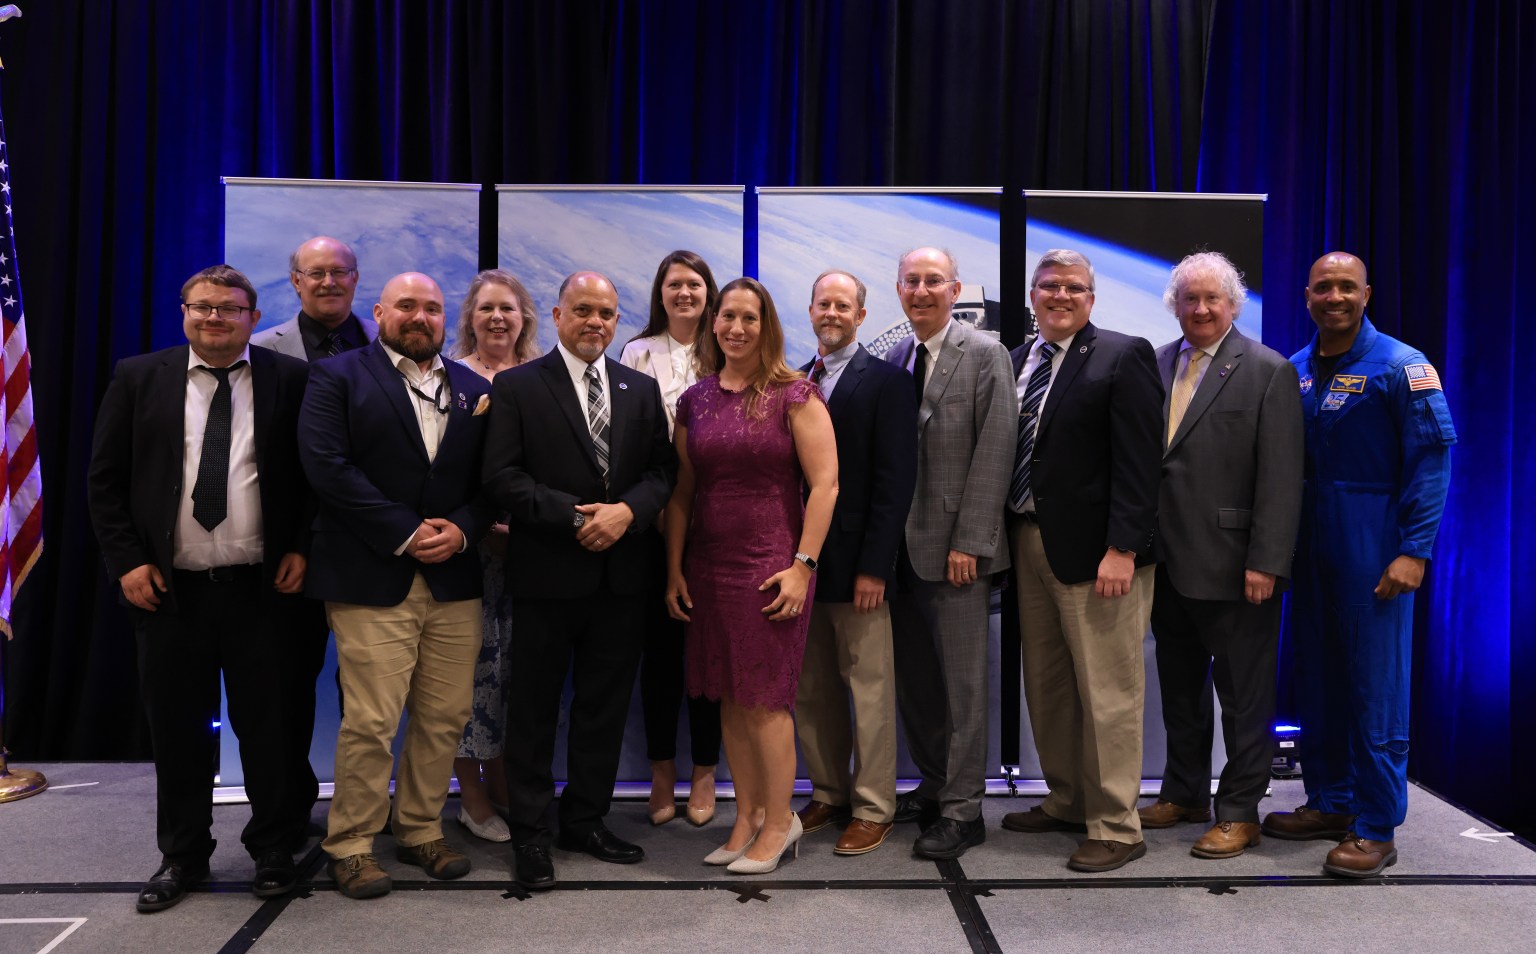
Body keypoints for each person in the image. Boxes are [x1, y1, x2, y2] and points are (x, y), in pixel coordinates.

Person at [87, 264, 314, 912]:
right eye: (201, 308)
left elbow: (308, 478)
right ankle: (182, 856)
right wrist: (127, 562)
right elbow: (104, 482)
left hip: (261, 591)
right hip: (169, 594)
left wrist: (300, 545)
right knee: (179, 732)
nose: (214, 319)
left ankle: (274, 849)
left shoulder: (288, 380)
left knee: (270, 729)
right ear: (184, 311)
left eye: (229, 309)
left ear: (252, 316)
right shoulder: (139, 379)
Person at [298, 271, 495, 899]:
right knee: (372, 720)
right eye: (406, 305)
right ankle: (351, 844)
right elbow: (326, 468)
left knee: (444, 717)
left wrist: (462, 531)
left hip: (454, 579)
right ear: (379, 311)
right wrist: (408, 533)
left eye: (433, 308)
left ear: (446, 319)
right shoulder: (337, 376)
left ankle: (418, 828)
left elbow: (491, 479)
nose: (420, 317)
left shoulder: (472, 387)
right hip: (371, 575)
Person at [1261, 252, 1456, 878]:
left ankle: (1376, 825)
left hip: (1374, 547)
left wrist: (1413, 550)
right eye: (1324, 287)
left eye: (1347, 286)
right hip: (1310, 549)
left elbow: (1431, 462)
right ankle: (1331, 802)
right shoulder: (1292, 371)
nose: (1335, 297)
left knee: (1377, 689)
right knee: (1318, 678)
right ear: (1307, 296)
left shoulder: (1403, 366)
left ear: (1366, 294)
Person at [482, 271, 677, 891]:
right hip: (546, 576)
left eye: (608, 313)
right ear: (559, 317)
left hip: (621, 579)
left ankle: (586, 819)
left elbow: (661, 472)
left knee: (603, 709)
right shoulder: (518, 387)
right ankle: (532, 834)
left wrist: (627, 513)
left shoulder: (639, 389)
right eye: (584, 310)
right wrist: (573, 518)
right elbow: (501, 478)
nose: (597, 322)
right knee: (534, 713)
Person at [665, 277, 838, 874]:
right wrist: (674, 571)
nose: (737, 328)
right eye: (728, 316)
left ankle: (780, 821)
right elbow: (683, 493)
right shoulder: (696, 400)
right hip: (708, 567)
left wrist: (802, 568)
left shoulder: (797, 394)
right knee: (730, 702)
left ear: (767, 327)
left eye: (751, 318)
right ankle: (746, 817)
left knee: (765, 702)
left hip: (772, 568)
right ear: (714, 324)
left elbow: (825, 486)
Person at [1001, 248, 1162, 873]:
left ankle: (1118, 826)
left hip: (1102, 555)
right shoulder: (1018, 360)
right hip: (1029, 541)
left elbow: (1142, 462)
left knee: (1109, 693)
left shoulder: (1124, 355)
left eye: (1073, 287)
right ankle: (1068, 799)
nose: (1059, 295)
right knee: (1048, 686)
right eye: (1048, 286)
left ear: (1091, 298)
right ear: (1032, 295)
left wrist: (1122, 548)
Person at [1138, 252, 1303, 859]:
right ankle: (1184, 792)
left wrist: (1267, 561)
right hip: (1167, 564)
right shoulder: (1155, 363)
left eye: (1212, 299)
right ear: (1175, 305)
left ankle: (1239, 810)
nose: (1201, 309)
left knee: (1244, 697)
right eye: (1189, 299)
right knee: (1178, 688)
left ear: (1233, 305)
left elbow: (1282, 478)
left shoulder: (1267, 370)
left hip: (1239, 568)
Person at [880, 247, 1015, 861]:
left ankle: (964, 810)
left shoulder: (986, 354)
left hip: (957, 551)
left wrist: (972, 541)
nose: (923, 290)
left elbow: (996, 452)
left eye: (934, 281)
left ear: (954, 288)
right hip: (902, 554)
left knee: (963, 687)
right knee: (920, 685)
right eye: (913, 281)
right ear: (900, 288)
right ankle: (934, 786)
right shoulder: (897, 354)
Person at [793, 269, 916, 856]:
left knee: (868, 690)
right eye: (825, 303)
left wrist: (876, 567)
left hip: (858, 567)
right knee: (812, 689)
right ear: (811, 310)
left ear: (862, 316)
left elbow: (896, 483)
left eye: (845, 305)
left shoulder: (888, 382)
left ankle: (873, 806)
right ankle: (828, 790)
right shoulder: (793, 379)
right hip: (799, 566)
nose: (833, 313)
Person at [619, 250, 724, 827]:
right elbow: (629, 437)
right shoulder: (637, 352)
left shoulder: (726, 349)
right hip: (650, 525)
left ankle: (705, 772)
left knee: (706, 657)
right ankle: (662, 773)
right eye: (673, 284)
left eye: (694, 284)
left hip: (716, 528)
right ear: (660, 293)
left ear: (708, 292)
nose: (684, 293)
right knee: (658, 657)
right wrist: (654, 509)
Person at [444, 269, 541, 843]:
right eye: (487, 310)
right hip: (466, 553)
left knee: (515, 675)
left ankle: (506, 781)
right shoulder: (450, 380)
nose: (498, 318)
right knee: (468, 677)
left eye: (508, 308)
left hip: (529, 554)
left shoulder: (541, 378)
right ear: (470, 319)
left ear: (525, 316)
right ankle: (471, 796)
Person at [251, 235, 379, 360]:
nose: (329, 283)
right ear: (296, 281)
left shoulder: (388, 339)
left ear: (354, 278)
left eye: (339, 271)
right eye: (316, 273)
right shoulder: (256, 349)